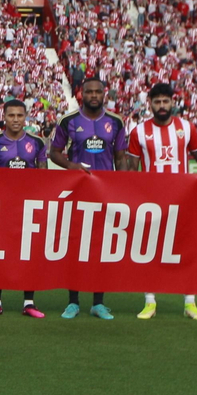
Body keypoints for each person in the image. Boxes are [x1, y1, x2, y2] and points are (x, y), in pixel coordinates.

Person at [127, 82, 197, 321]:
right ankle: (149, 302)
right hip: (151, 201)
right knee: (150, 250)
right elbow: (131, 170)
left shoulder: (186, 128)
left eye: (166, 101)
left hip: (183, 199)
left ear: (172, 102)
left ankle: (190, 303)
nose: (162, 106)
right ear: (151, 104)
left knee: (185, 250)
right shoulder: (139, 132)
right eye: (157, 102)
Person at [48, 76, 126, 320]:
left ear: (105, 94)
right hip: (78, 191)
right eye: (89, 92)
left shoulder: (115, 122)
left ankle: (98, 303)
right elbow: (54, 153)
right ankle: (73, 302)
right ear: (82, 94)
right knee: (75, 246)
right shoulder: (68, 121)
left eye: (98, 92)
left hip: (104, 193)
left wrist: (120, 184)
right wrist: (71, 166)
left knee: (101, 248)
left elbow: (121, 157)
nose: (93, 96)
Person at [0, 98, 48, 318]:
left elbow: (43, 175)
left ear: (25, 117)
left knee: (28, 253)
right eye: (11, 115)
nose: (15, 120)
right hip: (1, 207)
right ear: (4, 117)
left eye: (19, 115)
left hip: (29, 207)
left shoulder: (37, 143)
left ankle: (29, 302)